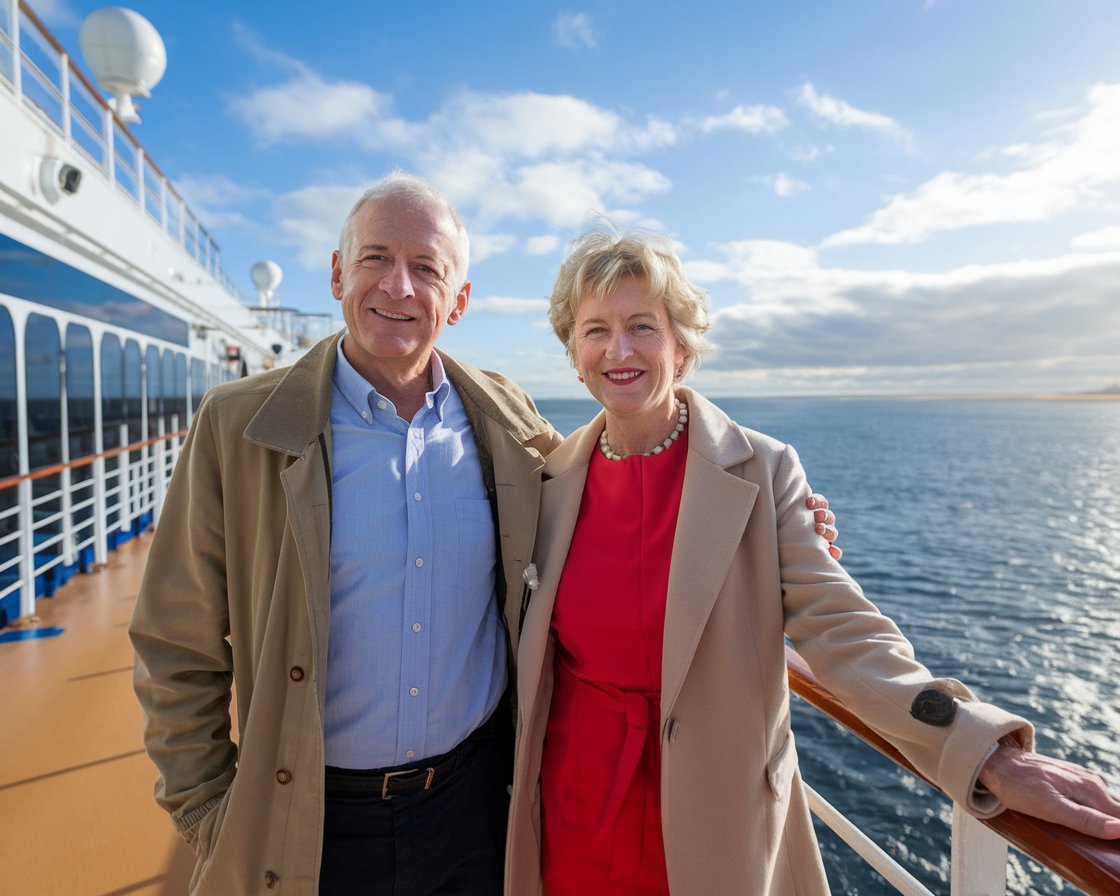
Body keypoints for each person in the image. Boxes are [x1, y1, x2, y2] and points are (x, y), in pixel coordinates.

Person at [129, 172, 842, 895]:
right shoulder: (237, 428)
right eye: (376, 258)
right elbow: (173, 641)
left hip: (474, 809)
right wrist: (208, 814)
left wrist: (770, 510)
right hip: (311, 817)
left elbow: (614, 474)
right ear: (339, 273)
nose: (399, 287)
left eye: (427, 268)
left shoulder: (504, 421)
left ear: (459, 301)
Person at [505, 228, 1120, 896]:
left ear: (680, 348)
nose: (618, 350)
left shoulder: (762, 472)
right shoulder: (550, 482)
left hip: (714, 814)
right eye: (596, 330)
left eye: (642, 326)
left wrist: (984, 751)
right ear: (573, 354)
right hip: (574, 808)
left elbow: (842, 628)